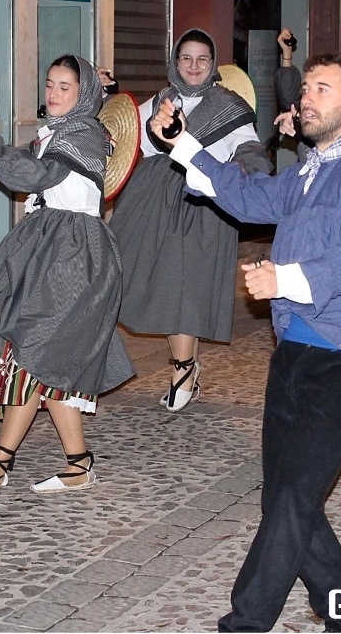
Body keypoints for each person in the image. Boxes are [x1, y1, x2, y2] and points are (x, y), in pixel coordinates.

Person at [161, 53, 341, 632]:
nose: (306, 96)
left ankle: (244, 623)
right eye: (305, 87)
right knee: (287, 498)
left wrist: (287, 278)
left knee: (293, 496)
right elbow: (249, 197)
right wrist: (180, 144)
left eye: (322, 88)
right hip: (298, 344)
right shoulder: (310, 169)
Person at [0, 55, 134, 507]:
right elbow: (19, 157)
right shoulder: (57, 133)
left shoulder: (86, 134)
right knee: (49, 363)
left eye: (64, 87)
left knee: (28, 353)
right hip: (48, 251)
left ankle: (0, 465)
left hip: (76, 260)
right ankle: (79, 463)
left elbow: (40, 173)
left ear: (85, 94)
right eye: (50, 84)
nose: (53, 94)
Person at [109, 29, 271, 412]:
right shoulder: (160, 101)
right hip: (153, 201)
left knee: (187, 284)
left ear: (213, 63)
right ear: (175, 62)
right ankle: (187, 365)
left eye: (202, 59)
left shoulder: (229, 105)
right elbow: (129, 142)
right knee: (167, 283)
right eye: (186, 58)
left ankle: (183, 368)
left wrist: (250, 171)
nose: (194, 66)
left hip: (203, 201)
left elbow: (249, 148)